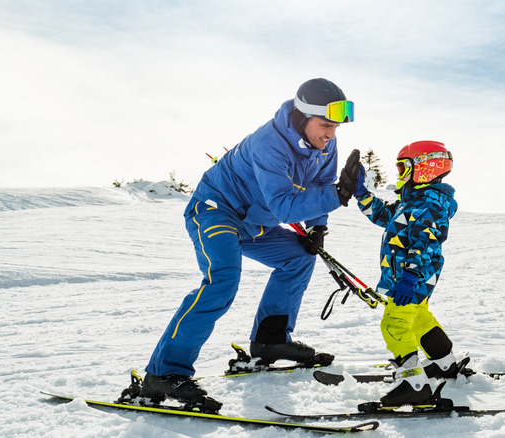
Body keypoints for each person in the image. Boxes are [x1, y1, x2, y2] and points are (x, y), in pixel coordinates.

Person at [139, 78, 363, 409]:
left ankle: (270, 342)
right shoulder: (269, 143)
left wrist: (317, 228)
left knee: (298, 258)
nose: (330, 134)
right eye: (325, 125)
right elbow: (285, 206)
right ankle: (163, 373)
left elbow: (320, 184)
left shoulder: (325, 146)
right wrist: (338, 196)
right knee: (222, 280)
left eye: (335, 128)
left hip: (257, 224)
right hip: (217, 212)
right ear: (303, 117)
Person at [351, 140, 464, 407]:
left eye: (403, 168)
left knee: (395, 324)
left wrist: (409, 278)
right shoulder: (413, 201)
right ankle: (445, 363)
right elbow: (384, 216)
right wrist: (361, 194)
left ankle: (414, 384)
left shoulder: (428, 206)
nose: (400, 175)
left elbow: (425, 245)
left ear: (425, 168)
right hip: (412, 278)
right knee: (419, 318)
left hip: (411, 278)